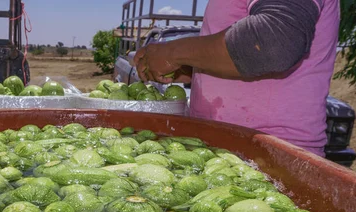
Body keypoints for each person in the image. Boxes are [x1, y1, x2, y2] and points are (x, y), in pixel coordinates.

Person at [134, 0, 339, 156]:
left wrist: (173, 53)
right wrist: (188, 68)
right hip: (232, 152)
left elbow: (272, 42)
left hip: (269, 157)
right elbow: (247, 58)